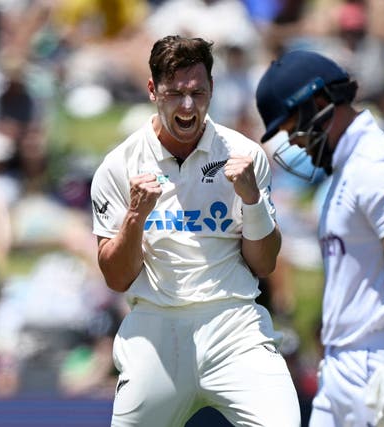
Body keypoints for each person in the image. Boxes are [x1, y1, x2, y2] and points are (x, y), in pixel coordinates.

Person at [90, 35, 300, 427]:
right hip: (156, 326)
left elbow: (265, 263)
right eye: (175, 94)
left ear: (212, 89)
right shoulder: (119, 165)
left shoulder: (244, 156)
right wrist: (136, 215)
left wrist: (252, 201)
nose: (188, 106)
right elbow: (117, 278)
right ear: (153, 90)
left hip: (234, 325)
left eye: (197, 93)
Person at [255, 50, 384, 427]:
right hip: (347, 364)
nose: (295, 143)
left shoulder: (376, 163)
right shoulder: (347, 168)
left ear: (319, 104)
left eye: (292, 129)